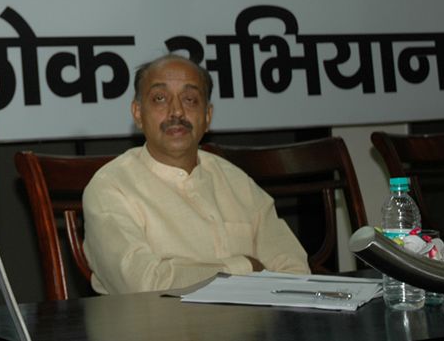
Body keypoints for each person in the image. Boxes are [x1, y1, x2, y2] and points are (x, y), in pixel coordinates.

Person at [82, 53, 310, 293]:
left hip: (251, 326)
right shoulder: (110, 187)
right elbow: (142, 283)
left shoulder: (236, 181)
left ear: (208, 116)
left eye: (190, 100)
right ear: (138, 113)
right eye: (160, 98)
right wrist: (245, 268)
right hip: (156, 327)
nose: (177, 112)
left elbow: (295, 271)